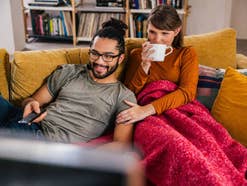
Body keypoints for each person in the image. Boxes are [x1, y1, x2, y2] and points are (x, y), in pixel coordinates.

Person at [116, 5, 247, 186]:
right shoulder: (137, 54)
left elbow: (187, 92)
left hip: (179, 110)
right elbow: (128, 92)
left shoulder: (186, 54)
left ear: (176, 31)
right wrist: (144, 65)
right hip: (148, 117)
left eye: (164, 34)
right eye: (152, 32)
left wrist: (147, 110)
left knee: (209, 144)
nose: (157, 40)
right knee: (175, 145)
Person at [0, 18, 136, 145]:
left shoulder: (123, 97)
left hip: (40, 137)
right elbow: (31, 101)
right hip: (25, 118)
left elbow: (120, 145)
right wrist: (30, 103)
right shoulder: (70, 71)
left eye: (108, 56)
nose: (99, 61)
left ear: (120, 58)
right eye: (95, 53)